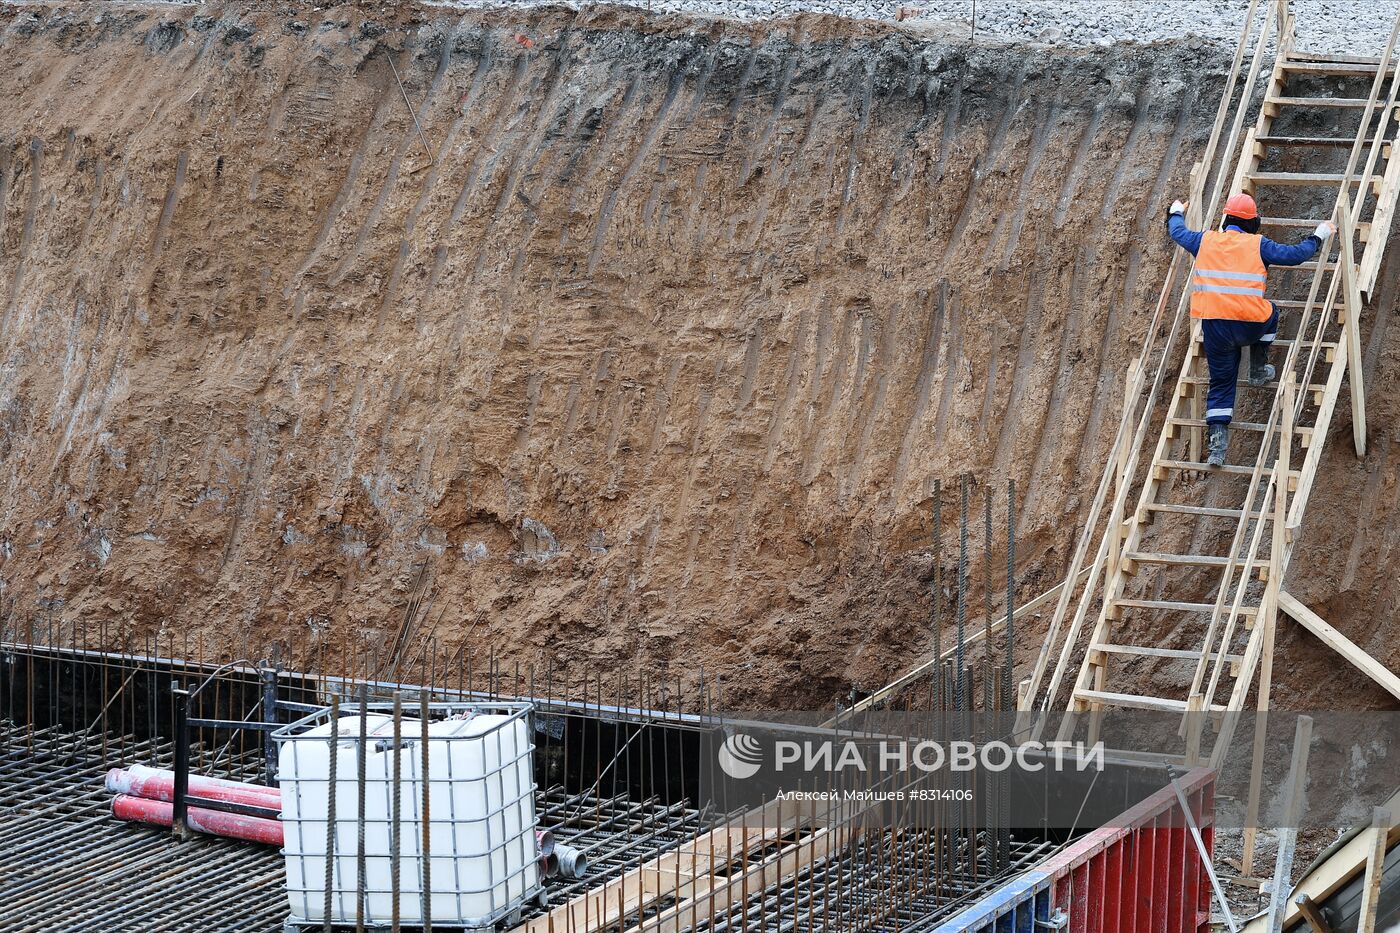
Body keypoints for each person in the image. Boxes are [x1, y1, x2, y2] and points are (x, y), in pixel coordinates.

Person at [1166, 193, 1335, 467]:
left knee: (1221, 383)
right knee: (1272, 312)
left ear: (1226, 219)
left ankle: (1217, 449)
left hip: (1215, 327)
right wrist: (1319, 235)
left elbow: (1177, 231)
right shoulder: (1259, 244)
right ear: (1252, 221)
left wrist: (1175, 211)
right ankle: (1258, 368)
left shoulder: (1205, 241)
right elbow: (1294, 255)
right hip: (1250, 325)